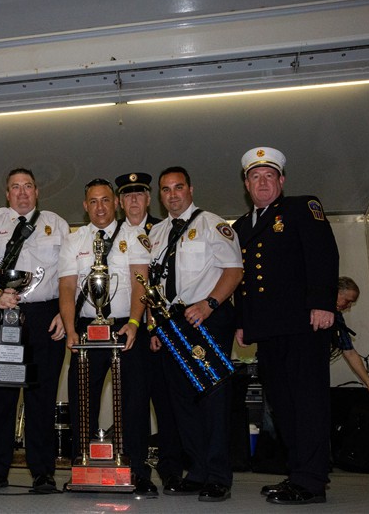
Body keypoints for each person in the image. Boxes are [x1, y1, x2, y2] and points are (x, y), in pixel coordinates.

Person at [233, 146, 339, 505]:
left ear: (281, 180)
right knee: (281, 403)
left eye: (269, 176)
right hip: (266, 329)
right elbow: (243, 280)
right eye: (255, 177)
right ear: (246, 184)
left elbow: (323, 255)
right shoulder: (239, 225)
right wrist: (243, 323)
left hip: (303, 322)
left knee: (307, 402)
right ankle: (299, 472)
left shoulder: (301, 207)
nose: (262, 183)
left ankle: (310, 481)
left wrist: (323, 303)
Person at [147, 166, 242, 502]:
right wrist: (155, 327)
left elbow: (235, 270)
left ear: (190, 189)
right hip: (170, 325)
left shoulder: (212, 225)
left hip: (206, 320)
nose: (172, 195)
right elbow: (153, 285)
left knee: (212, 400)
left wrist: (210, 304)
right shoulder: (156, 233)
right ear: (160, 195)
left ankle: (219, 476)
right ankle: (198, 470)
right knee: (182, 403)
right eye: (166, 189)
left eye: (178, 187)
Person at [0, 168, 69, 493]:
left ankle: (43, 473)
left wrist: (63, 314)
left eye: (28, 186)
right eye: (16, 187)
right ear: (7, 193)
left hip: (45, 315)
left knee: (41, 397)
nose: (23, 192)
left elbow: (70, 274)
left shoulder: (57, 223)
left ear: (37, 191)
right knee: (1, 396)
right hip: (4, 315)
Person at [58, 177, 157, 496]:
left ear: (115, 203)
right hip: (87, 329)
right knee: (80, 399)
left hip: (126, 327)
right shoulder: (75, 240)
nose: (99, 207)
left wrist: (133, 322)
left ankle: (138, 471)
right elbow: (68, 287)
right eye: (93, 202)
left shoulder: (134, 236)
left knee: (135, 400)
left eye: (105, 200)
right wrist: (71, 329)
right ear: (85, 207)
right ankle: (81, 466)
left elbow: (139, 282)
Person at [115, 172, 183, 491]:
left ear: (148, 198)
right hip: (128, 331)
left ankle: (172, 470)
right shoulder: (110, 235)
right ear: (119, 201)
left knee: (166, 403)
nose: (133, 201)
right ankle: (137, 470)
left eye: (139, 194)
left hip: (160, 331)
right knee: (134, 404)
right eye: (127, 195)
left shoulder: (165, 231)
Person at [332, 277, 369, 403]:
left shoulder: (338, 318)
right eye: (347, 301)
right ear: (336, 293)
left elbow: (350, 352)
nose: (349, 306)